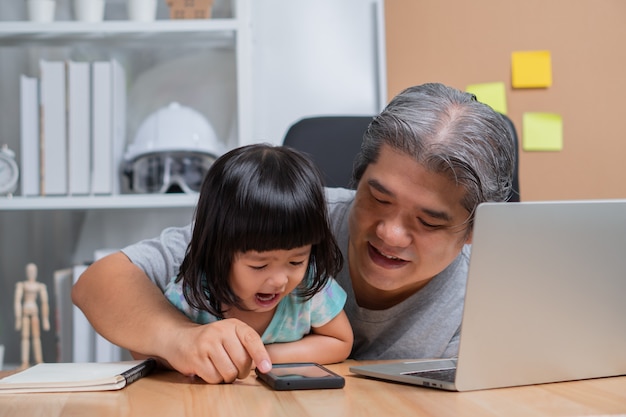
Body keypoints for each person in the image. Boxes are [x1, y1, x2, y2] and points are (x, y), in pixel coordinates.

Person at [73, 82, 515, 383]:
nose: (391, 233)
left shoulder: (492, 296)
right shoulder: (293, 221)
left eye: (429, 221)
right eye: (378, 199)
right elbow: (101, 282)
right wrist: (179, 337)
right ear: (356, 180)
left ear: (475, 228)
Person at [160, 144, 352, 374]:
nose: (280, 281)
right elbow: (149, 350)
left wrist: (261, 357)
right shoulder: (192, 293)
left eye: (296, 262)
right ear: (218, 252)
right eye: (259, 265)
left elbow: (341, 341)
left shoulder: (308, 286)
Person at [15, 263, 50, 368]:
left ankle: (39, 360)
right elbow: (17, 301)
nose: (31, 273)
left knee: (36, 337)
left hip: (34, 312)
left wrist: (45, 319)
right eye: (29, 271)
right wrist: (18, 318)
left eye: (33, 271)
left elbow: (45, 303)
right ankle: (24, 361)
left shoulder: (40, 286)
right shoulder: (22, 285)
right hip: (25, 312)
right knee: (25, 337)